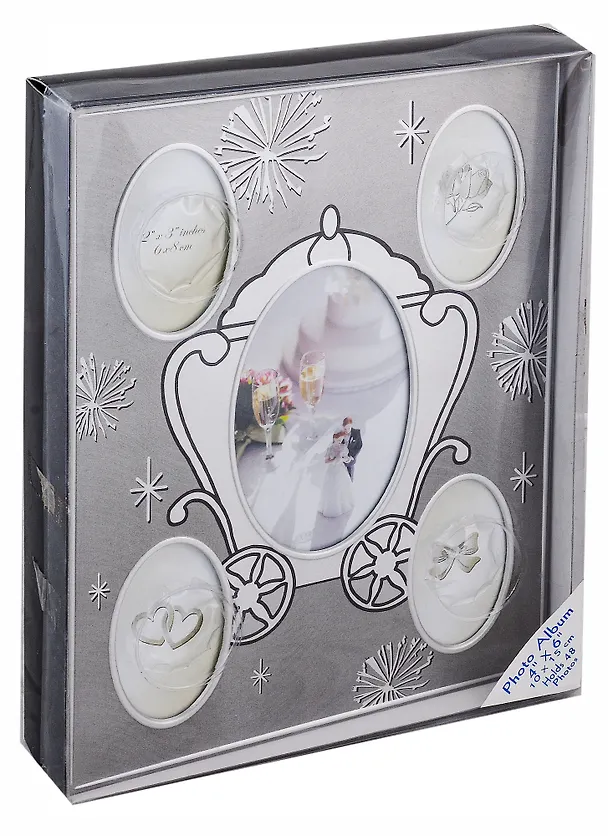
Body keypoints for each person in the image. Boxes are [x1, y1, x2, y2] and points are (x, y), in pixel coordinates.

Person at [319, 431, 355, 518]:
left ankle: (343, 505)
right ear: (334, 439)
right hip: (332, 469)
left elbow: (346, 458)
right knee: (332, 486)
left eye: (341, 439)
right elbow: (326, 461)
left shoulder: (343, 447)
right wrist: (334, 460)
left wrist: (345, 459)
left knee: (341, 485)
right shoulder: (330, 448)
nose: (339, 441)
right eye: (338, 439)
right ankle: (330, 507)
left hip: (340, 468)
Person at [341, 417, 363, 481]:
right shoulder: (340, 433)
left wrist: (351, 456)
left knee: (350, 474)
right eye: (345, 428)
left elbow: (359, 446)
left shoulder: (356, 433)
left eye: (348, 428)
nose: (347, 430)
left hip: (351, 459)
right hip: (341, 459)